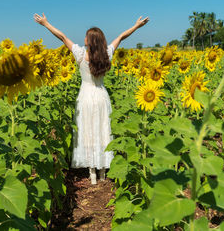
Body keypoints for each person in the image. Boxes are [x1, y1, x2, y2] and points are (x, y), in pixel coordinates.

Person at [34, 13, 149, 184]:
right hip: (101, 96)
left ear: (90, 41)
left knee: (87, 132)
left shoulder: (80, 54)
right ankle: (103, 172)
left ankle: (92, 174)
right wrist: (136, 26)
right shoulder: (107, 54)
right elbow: (121, 37)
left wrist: (46, 24)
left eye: (86, 37)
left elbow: (62, 37)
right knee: (102, 131)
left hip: (85, 97)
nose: (83, 39)